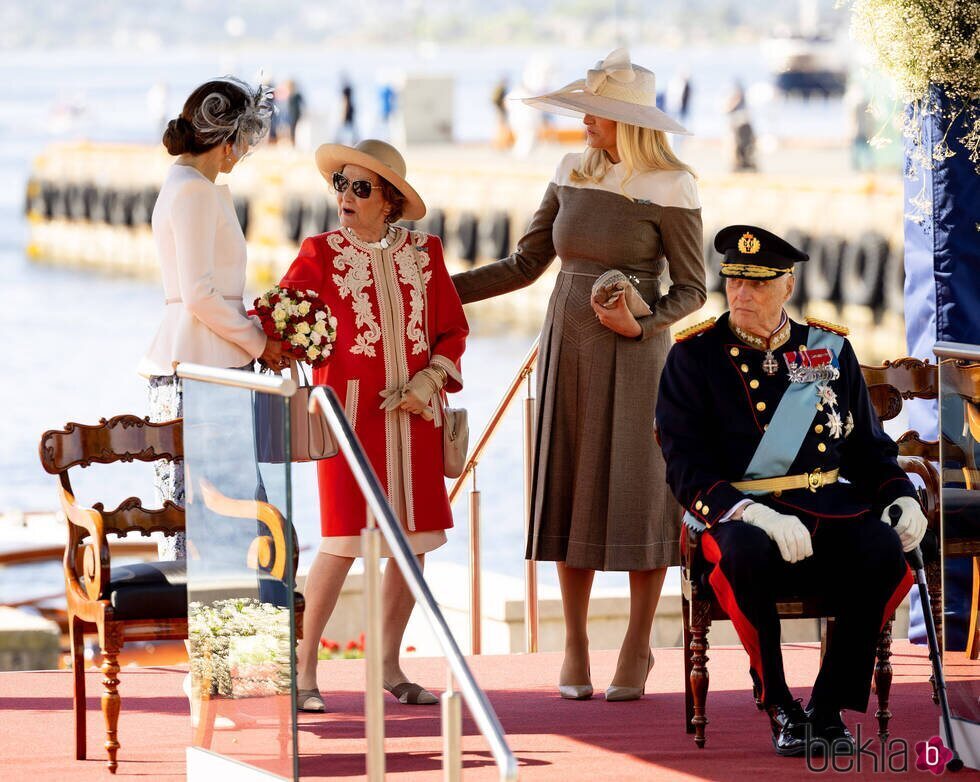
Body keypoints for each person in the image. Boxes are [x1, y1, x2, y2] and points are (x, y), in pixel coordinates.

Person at [452, 48, 706, 702]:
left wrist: (641, 324)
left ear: (626, 121)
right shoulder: (569, 170)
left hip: (638, 355)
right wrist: (432, 292)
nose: (584, 121)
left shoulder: (674, 187)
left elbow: (693, 291)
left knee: (643, 494)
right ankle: (573, 644)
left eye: (595, 112)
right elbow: (523, 263)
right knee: (569, 484)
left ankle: (637, 643)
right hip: (568, 346)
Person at [655, 225, 927, 757]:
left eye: (758, 283)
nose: (741, 294)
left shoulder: (827, 348)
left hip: (827, 505)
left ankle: (827, 708)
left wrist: (900, 494)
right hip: (743, 517)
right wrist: (754, 514)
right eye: (734, 280)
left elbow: (867, 447)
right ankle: (779, 704)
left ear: (788, 284)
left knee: (881, 549)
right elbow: (684, 467)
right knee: (744, 553)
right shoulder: (695, 356)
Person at [279, 140, 468, 712]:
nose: (346, 196)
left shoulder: (425, 253)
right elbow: (282, 319)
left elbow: (451, 332)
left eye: (361, 187)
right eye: (341, 184)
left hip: (416, 420)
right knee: (340, 541)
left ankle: (388, 664)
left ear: (389, 200)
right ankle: (304, 666)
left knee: (410, 547)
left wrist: (428, 384)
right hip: (348, 417)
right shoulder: (318, 253)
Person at [138, 76, 283, 561]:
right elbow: (200, 294)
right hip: (204, 371)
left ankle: (212, 631)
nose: (240, 156)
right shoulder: (196, 190)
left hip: (195, 363)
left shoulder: (181, 184)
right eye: (242, 143)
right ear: (225, 140)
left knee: (201, 519)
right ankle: (223, 631)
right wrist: (262, 343)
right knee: (223, 522)